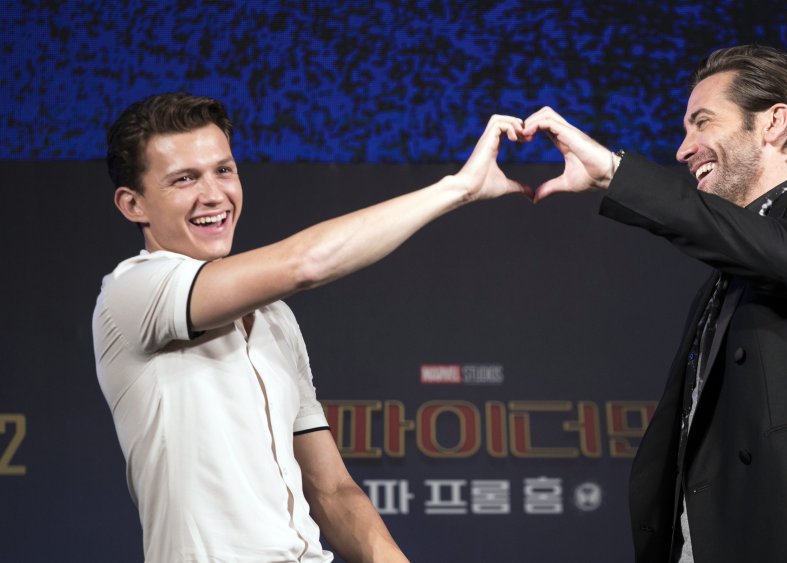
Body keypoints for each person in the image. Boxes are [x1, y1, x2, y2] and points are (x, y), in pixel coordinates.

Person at [92, 92, 530, 562]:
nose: (214, 194)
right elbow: (306, 263)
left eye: (224, 170)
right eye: (184, 179)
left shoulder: (275, 317)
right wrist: (458, 188)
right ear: (133, 204)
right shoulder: (130, 292)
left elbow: (333, 491)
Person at [523, 45, 787, 562]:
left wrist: (615, 172)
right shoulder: (724, 278)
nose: (683, 149)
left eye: (702, 122)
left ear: (773, 122)